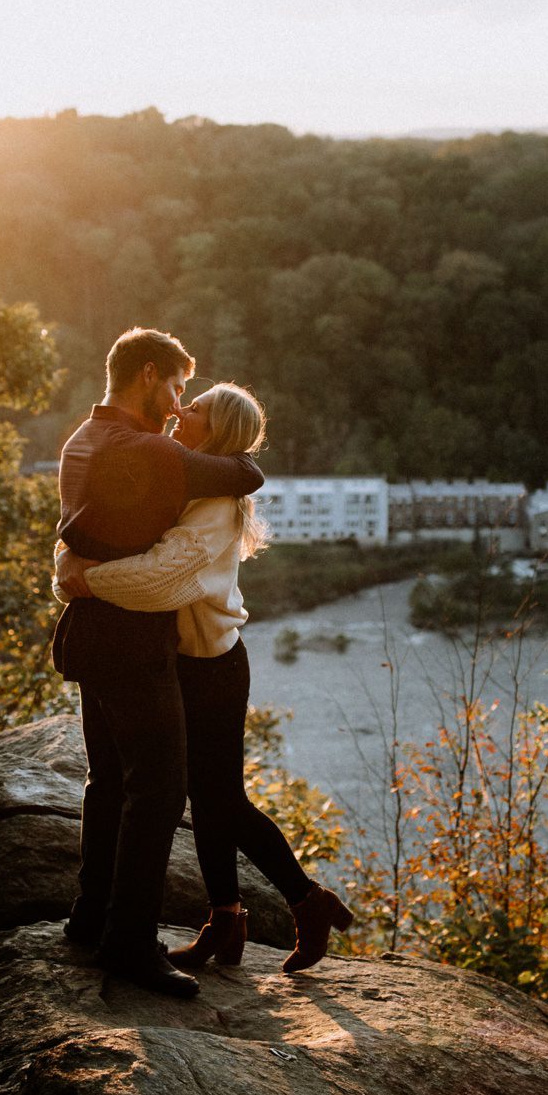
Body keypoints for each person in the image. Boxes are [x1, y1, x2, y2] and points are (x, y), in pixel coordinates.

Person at [56, 383, 354, 975]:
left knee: (220, 799)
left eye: (194, 409)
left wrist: (84, 578)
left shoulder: (216, 502)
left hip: (213, 664)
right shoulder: (190, 480)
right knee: (202, 795)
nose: (179, 410)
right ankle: (227, 918)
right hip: (178, 659)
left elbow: (166, 575)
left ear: (213, 431)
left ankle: (305, 900)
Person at [53, 328, 265, 998]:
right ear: (148, 375)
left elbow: (230, 473)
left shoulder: (81, 442)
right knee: (159, 790)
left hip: (90, 638)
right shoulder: (141, 451)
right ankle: (128, 943)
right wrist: (84, 577)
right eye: (175, 387)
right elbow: (237, 471)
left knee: (109, 780)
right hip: (130, 643)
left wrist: (73, 572)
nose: (178, 406)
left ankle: (91, 917)